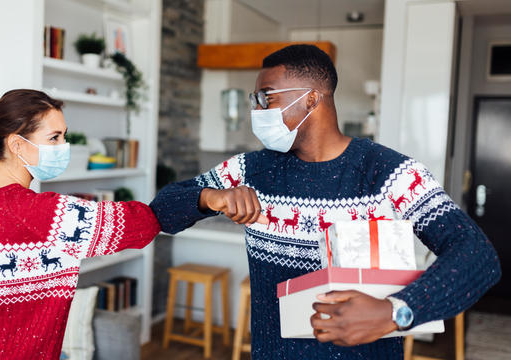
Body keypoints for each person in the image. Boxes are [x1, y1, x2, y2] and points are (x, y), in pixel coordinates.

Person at [149, 45, 501, 359]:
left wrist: (397, 311)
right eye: (254, 100)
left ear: (312, 99)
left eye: (266, 97)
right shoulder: (249, 169)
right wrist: (209, 196)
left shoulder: (389, 173)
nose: (256, 111)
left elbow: (478, 256)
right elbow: (160, 212)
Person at [0, 89, 161, 359]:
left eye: (64, 136)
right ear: (16, 144)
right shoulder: (42, 212)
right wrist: (200, 196)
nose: (63, 146)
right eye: (54, 138)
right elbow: (143, 224)